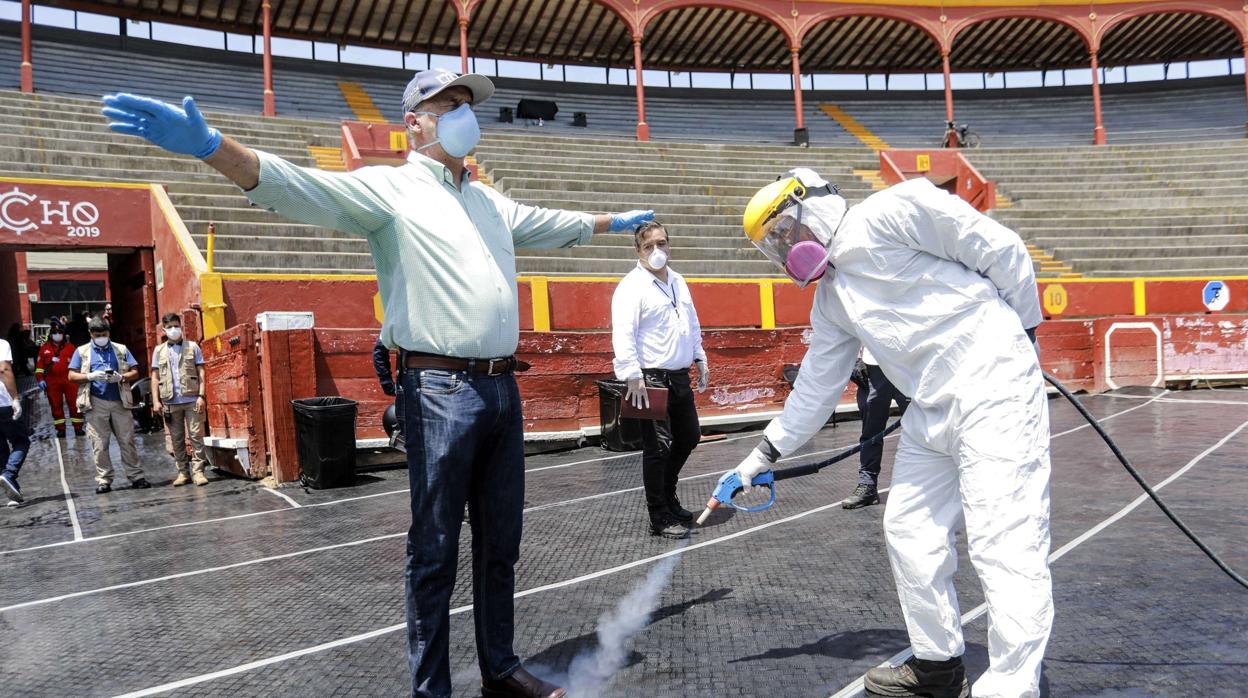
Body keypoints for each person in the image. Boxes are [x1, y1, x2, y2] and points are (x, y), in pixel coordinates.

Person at [102, 68, 653, 698]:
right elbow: (304, 190)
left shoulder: (487, 199)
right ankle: (432, 689)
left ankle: (499, 670)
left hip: (501, 389)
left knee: (501, 542)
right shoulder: (390, 189)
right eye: (447, 105)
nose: (463, 114)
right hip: (440, 390)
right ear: (413, 122)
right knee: (436, 549)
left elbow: (551, 222)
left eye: (466, 104)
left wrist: (615, 222)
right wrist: (214, 148)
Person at [732, 169, 1051, 697]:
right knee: (909, 532)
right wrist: (757, 459)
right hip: (930, 409)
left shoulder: (894, 210)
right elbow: (812, 392)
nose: (785, 248)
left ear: (814, 206)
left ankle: (1013, 686)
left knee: (1004, 542)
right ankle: (938, 667)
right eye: (775, 243)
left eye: (785, 231)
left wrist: (1023, 334)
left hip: (993, 388)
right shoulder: (832, 300)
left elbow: (1000, 248)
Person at [610, 221, 709, 539]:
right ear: (638, 250)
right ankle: (658, 514)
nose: (657, 250)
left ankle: (668, 495)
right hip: (648, 378)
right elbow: (623, 332)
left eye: (662, 243)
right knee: (658, 447)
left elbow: (691, 322)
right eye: (649, 245)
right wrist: (631, 375)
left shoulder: (679, 281)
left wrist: (700, 356)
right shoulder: (630, 286)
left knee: (689, 436)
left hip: (679, 376)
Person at [68, 317, 148, 494]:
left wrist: (122, 377)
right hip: (96, 402)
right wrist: (90, 376)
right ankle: (104, 480)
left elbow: (135, 371)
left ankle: (136, 477)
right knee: (99, 443)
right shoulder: (82, 352)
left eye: (104, 334)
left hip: (120, 401)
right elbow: (72, 376)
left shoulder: (121, 349)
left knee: (127, 440)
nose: (101, 337)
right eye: (98, 335)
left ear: (109, 333)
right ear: (91, 334)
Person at [842, 347, 909, 510]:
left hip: (909, 362)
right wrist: (855, 360)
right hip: (873, 365)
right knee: (871, 431)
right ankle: (868, 485)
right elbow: (849, 324)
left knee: (922, 429)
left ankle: (926, 486)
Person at [151, 313, 208, 487]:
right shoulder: (158, 350)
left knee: (197, 436)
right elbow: (155, 377)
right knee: (177, 439)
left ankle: (198, 472)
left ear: (181, 327)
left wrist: (201, 396)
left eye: (176, 326)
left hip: (192, 399)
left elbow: (201, 373)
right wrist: (156, 401)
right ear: (164, 329)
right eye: (169, 327)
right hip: (170, 401)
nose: (173, 329)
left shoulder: (192, 347)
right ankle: (183, 472)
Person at [35, 321, 86, 438]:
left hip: (70, 381)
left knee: (74, 404)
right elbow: (39, 367)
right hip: (52, 382)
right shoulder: (44, 348)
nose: (57, 334)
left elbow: (80, 363)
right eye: (55, 333)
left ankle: (78, 428)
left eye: (59, 332)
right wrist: (40, 379)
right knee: (55, 406)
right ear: (50, 334)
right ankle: (60, 429)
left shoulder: (71, 347)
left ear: (63, 334)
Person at [0, 337, 29, 504]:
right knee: (21, 441)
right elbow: (4, 369)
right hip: (3, 403)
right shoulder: (2, 344)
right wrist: (15, 398)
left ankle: (12, 492)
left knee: (1, 448)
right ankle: (9, 474)